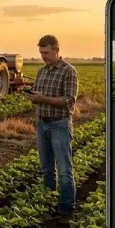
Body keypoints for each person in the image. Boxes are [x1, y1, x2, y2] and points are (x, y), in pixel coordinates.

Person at [24, 34, 79, 217]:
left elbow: (69, 101)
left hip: (59, 125)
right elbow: (40, 97)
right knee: (46, 168)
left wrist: (42, 99)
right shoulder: (42, 71)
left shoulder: (68, 71)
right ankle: (47, 202)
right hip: (42, 124)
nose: (43, 56)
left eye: (46, 52)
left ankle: (66, 208)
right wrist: (34, 98)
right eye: (41, 53)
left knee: (64, 170)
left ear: (56, 50)